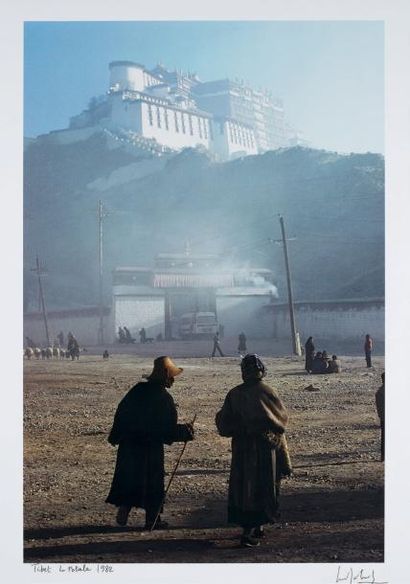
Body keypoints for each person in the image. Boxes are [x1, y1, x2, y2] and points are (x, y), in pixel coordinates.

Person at [106, 356, 195, 529]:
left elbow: (121, 414)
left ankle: (124, 508)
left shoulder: (137, 390)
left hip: (129, 447)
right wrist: (185, 432)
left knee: (130, 478)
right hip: (150, 449)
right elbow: (166, 430)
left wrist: (116, 436)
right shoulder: (164, 398)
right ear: (166, 375)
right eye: (172, 377)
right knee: (153, 482)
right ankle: (152, 520)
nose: (173, 381)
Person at [215, 354, 291, 547]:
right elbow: (281, 423)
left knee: (245, 488)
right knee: (265, 485)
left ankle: (251, 529)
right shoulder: (269, 392)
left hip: (243, 449)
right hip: (266, 449)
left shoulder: (235, 394)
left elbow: (224, 425)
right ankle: (254, 530)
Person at [375, 372, 385, 462]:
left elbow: (379, 408)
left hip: (383, 418)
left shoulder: (379, 392)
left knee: (384, 438)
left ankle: (383, 456)